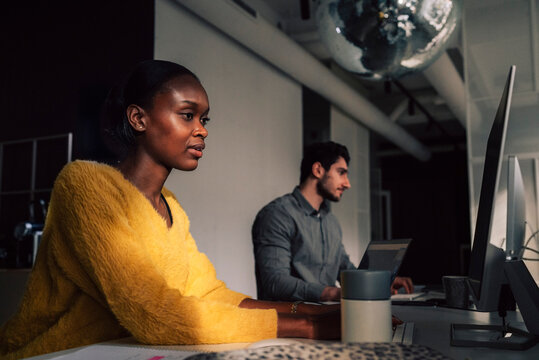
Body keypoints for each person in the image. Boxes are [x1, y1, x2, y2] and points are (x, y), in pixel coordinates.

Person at [0, 60, 342, 360]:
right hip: (54, 353)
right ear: (138, 118)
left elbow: (210, 294)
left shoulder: (171, 207)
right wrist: (307, 327)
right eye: (187, 115)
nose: (202, 130)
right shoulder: (84, 184)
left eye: (204, 119)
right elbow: (153, 311)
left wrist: (314, 310)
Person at [252, 141, 413, 302]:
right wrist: (334, 293)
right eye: (341, 172)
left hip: (327, 316)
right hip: (290, 321)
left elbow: (344, 268)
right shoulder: (277, 215)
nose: (347, 183)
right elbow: (275, 282)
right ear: (318, 170)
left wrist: (378, 281)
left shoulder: (331, 222)